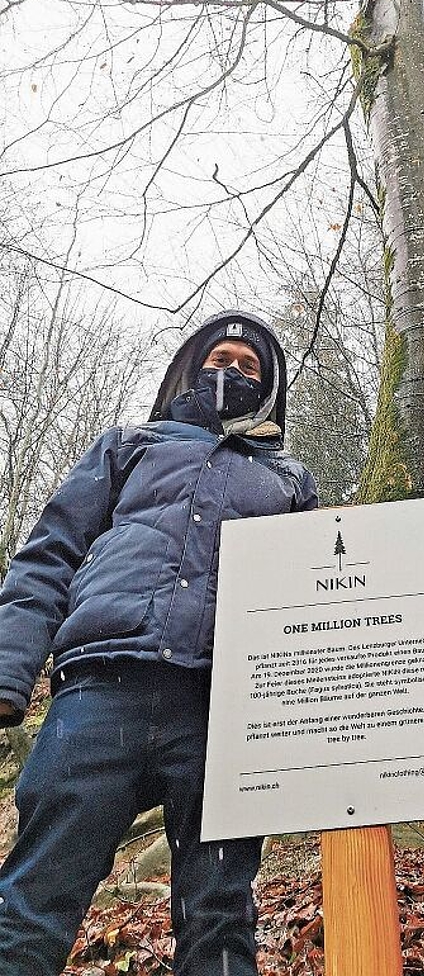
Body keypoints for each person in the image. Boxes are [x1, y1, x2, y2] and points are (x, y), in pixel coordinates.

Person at [0, 311, 318, 976]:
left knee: (220, 915)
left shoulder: (288, 481)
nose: (230, 372)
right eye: (218, 358)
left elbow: (311, 596)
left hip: (224, 713)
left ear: (270, 388)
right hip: (98, 692)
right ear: (189, 367)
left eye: (248, 366)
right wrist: (9, 668)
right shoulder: (128, 443)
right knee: (32, 900)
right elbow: (49, 555)